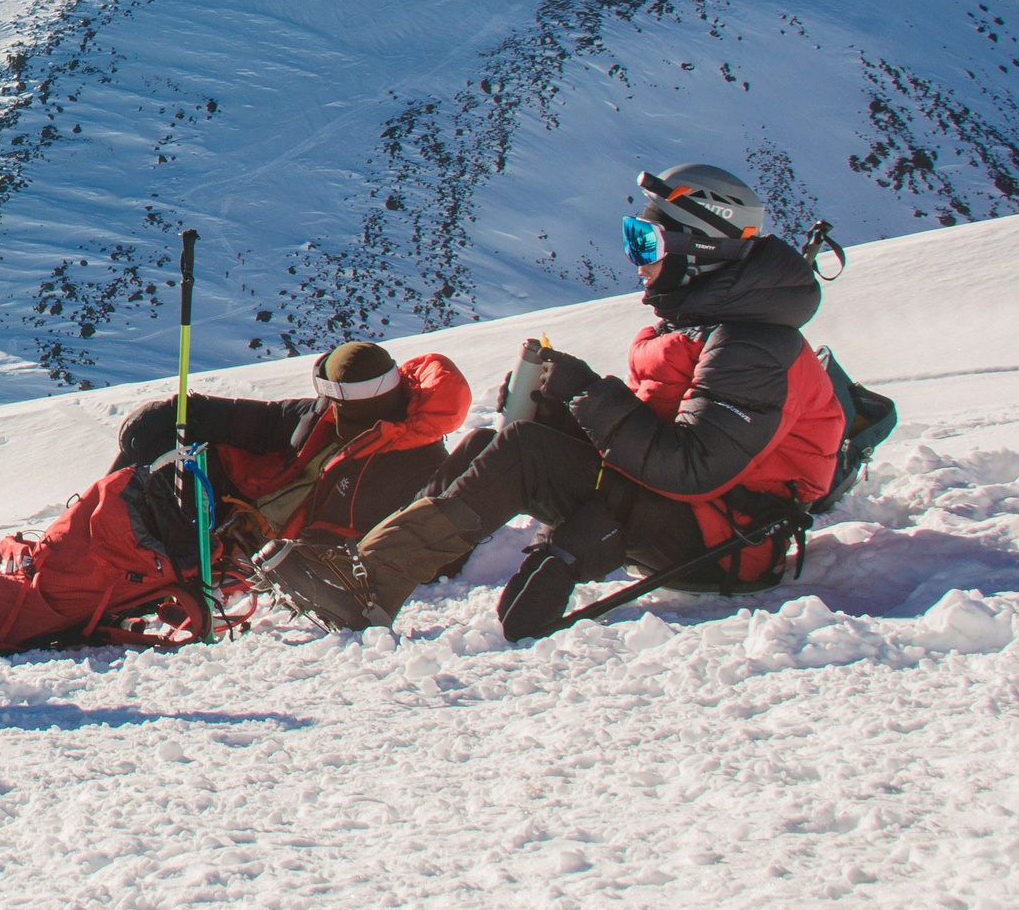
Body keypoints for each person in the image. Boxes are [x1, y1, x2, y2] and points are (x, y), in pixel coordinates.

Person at [258, 163, 848, 640]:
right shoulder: (705, 327)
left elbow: (691, 467)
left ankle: (369, 582)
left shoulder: (751, 346)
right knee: (500, 439)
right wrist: (559, 406)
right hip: (687, 513)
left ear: (701, 250)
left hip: (727, 541)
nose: (636, 258)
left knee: (524, 451)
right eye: (632, 237)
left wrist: (588, 393)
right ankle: (376, 564)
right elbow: (656, 434)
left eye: (645, 241)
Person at [110, 341, 471, 546]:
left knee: (135, 530)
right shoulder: (324, 418)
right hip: (229, 508)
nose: (327, 405)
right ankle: (79, 535)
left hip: (260, 551)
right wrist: (180, 412)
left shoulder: (419, 465)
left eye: (333, 397)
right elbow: (259, 421)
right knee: (144, 457)